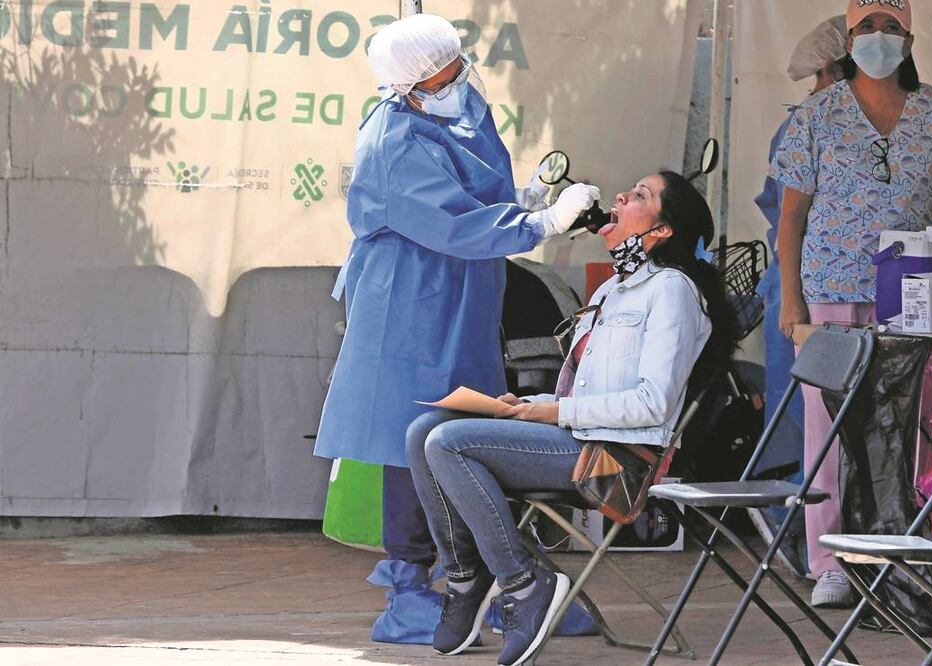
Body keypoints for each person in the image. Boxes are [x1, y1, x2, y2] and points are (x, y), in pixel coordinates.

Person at [313, 13, 599, 643]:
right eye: (447, 69)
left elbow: (478, 195)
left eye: (459, 61)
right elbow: (449, 223)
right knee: (407, 437)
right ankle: (409, 592)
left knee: (469, 429)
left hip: (467, 293)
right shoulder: (395, 138)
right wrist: (540, 226)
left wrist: (525, 202)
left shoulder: (461, 102)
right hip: (410, 299)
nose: (461, 74)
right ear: (411, 84)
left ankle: (489, 584)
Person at [406, 171, 738, 665]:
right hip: (578, 436)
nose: (621, 196)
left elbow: (653, 404)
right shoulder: (612, 291)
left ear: (663, 229)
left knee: (448, 442)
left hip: (617, 460)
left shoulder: (673, 291)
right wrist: (526, 405)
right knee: (423, 431)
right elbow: (587, 390)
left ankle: (523, 584)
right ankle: (465, 577)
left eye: (640, 196)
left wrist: (554, 411)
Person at [770, 0, 932, 608]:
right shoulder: (816, 115)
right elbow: (791, 216)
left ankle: (902, 546)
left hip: (913, 290)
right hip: (830, 286)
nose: (878, 37)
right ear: (848, 38)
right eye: (866, 27)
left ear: (910, 36)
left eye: (890, 26)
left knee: (907, 422)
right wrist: (791, 302)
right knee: (830, 428)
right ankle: (831, 561)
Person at [750, 14, 848, 579]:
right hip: (801, 287)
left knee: (826, 416)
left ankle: (803, 522)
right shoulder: (805, 125)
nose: (816, 89)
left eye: (821, 76)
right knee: (803, 415)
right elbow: (786, 215)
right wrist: (794, 295)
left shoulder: (911, 120)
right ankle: (785, 515)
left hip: (828, 287)